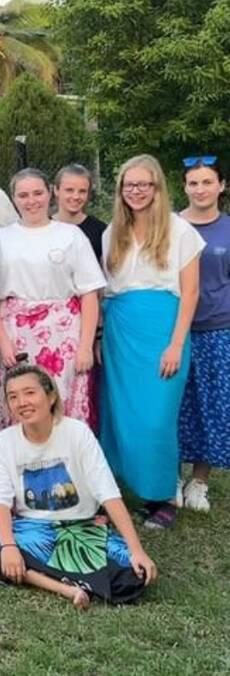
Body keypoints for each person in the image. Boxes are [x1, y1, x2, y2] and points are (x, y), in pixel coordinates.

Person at [0, 365, 158, 608]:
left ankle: (37, 574)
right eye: (13, 397)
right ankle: (65, 588)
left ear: (51, 396)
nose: (22, 402)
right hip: (32, 530)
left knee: (133, 575)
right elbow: (0, 501)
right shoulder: (4, 442)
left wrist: (136, 549)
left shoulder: (77, 433)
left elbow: (107, 492)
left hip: (81, 528)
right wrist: (9, 545)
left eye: (30, 393)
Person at [100, 154, 204, 529]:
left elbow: (190, 293)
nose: (136, 191)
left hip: (163, 329)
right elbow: (107, 292)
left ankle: (161, 496)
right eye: (130, 185)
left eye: (144, 184)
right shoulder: (112, 232)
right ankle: (121, 489)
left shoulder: (180, 231)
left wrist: (176, 344)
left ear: (157, 187)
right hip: (120, 331)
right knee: (120, 414)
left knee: (156, 417)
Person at [0, 168, 105, 430]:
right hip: (15, 336)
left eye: (37, 193)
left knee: (62, 403)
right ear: (13, 198)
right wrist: (3, 344)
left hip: (63, 336)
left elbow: (89, 294)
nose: (31, 201)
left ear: (50, 193)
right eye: (23, 195)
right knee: (21, 400)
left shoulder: (71, 235)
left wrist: (85, 346)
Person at [177, 156, 230, 512]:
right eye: (193, 183)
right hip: (174, 330)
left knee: (211, 406)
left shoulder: (227, 229)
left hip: (217, 329)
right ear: (184, 187)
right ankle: (171, 476)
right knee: (173, 405)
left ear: (221, 186)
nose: (200, 189)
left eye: (207, 182)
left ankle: (199, 481)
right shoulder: (171, 226)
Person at [53, 164, 108, 263]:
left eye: (82, 191)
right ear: (56, 190)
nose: (76, 196)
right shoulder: (43, 228)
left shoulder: (101, 231)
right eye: (69, 190)